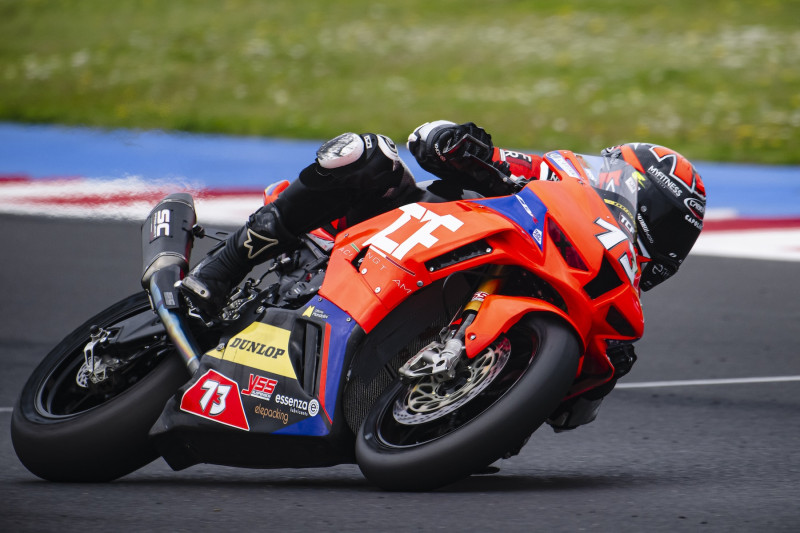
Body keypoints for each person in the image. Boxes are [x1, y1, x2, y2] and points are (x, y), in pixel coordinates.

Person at [180, 120, 707, 430]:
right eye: (665, 223)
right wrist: (461, 146)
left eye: (676, 240)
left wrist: (595, 378)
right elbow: (428, 137)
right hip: (414, 233)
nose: (666, 245)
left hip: (439, 339)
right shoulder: (561, 174)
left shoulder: (613, 304)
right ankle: (220, 271)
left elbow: (566, 418)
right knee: (364, 153)